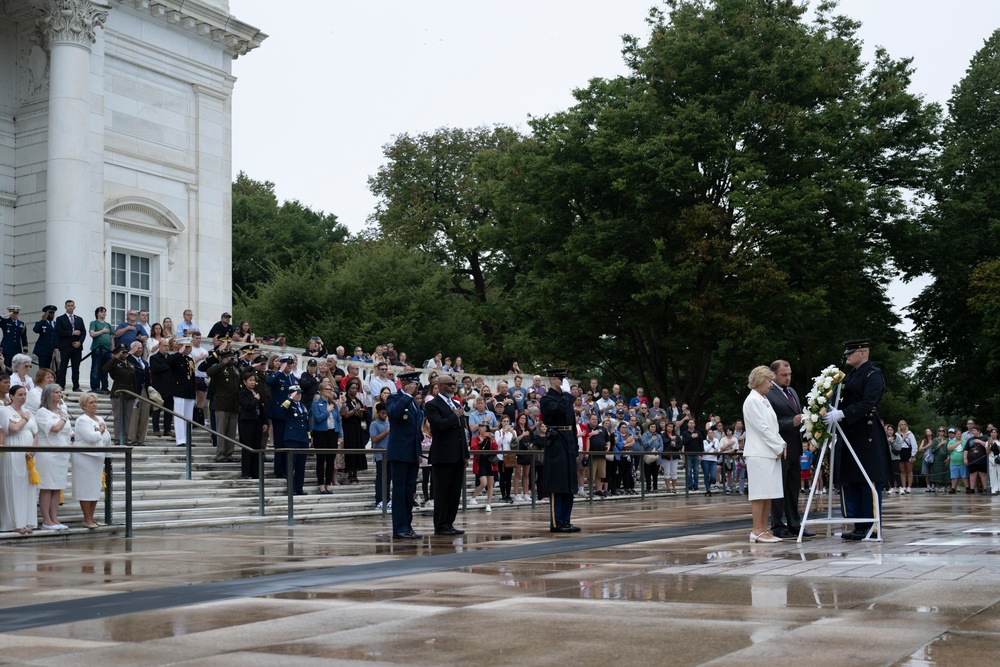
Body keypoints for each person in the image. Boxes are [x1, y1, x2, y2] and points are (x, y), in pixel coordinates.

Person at [823, 339, 891, 540]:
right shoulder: (851, 376)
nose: (846, 355)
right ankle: (859, 525)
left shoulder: (872, 374)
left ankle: (872, 527)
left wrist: (843, 413)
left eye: (850, 352)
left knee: (867, 480)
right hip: (850, 432)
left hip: (865, 433)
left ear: (862, 353)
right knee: (852, 479)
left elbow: (869, 402)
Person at [766, 360, 814, 539]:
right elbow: (768, 423)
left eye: (789, 374)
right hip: (779, 447)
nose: (788, 378)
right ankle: (778, 525)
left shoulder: (792, 391)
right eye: (783, 375)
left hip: (795, 447)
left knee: (793, 487)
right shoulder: (768, 394)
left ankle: (794, 523)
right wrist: (790, 423)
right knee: (779, 487)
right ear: (773, 375)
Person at [742, 366, 787, 543]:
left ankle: (764, 528)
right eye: (769, 381)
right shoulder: (752, 401)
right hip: (759, 453)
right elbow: (762, 428)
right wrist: (778, 447)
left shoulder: (763, 399)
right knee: (759, 493)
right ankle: (756, 530)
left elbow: (773, 427)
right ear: (760, 381)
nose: (770, 385)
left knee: (768, 492)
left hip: (768, 452)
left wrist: (782, 443)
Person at [426, 375, 468, 535]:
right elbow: (438, 426)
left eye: (454, 385)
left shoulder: (456, 404)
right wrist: (453, 416)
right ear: (440, 385)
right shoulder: (433, 404)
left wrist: (465, 454)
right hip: (443, 454)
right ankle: (441, 524)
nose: (453, 387)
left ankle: (449, 522)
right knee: (442, 491)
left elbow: (462, 431)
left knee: (454, 492)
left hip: (457, 455)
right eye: (449, 385)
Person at [540, 368, 580, 533]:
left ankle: (566, 520)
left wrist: (575, 444)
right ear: (552, 380)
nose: (564, 382)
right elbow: (559, 411)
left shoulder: (566, 399)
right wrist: (566, 395)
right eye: (560, 379)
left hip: (568, 438)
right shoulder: (547, 399)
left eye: (565, 379)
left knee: (569, 482)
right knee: (558, 482)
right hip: (556, 440)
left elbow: (571, 422)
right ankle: (557, 522)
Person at [385, 371, 424, 538]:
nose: (417, 387)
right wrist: (406, 394)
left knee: (409, 492)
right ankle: (399, 528)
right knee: (399, 492)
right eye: (414, 384)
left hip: (412, 453)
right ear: (406, 383)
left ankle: (407, 526)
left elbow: (416, 430)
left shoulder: (414, 403)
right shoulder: (394, 398)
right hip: (400, 453)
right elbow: (394, 414)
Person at [0, 385, 38, 534]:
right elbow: (14, 428)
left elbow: (35, 433)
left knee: (27, 486)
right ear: (12, 396)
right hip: (13, 451)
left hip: (27, 454)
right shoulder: (4, 411)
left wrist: (33, 450)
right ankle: (13, 522)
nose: (23, 397)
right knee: (14, 486)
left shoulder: (28, 412)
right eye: (20, 395)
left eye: (25, 395)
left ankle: (25, 521)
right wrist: (24, 419)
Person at [34, 383, 72, 530]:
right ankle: (46, 520)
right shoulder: (42, 412)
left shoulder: (62, 410)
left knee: (57, 486)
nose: (59, 395)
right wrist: (63, 419)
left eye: (60, 392)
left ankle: (54, 518)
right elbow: (55, 429)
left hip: (62, 451)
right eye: (56, 392)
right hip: (48, 452)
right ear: (49, 395)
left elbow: (66, 429)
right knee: (47, 486)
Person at [73, 392, 111, 528]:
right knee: (85, 488)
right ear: (83, 405)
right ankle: (86, 518)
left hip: (98, 458)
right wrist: (100, 432)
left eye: (96, 402)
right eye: (91, 402)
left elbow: (107, 437)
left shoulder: (100, 418)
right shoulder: (82, 420)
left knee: (94, 489)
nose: (95, 405)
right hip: (84, 457)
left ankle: (92, 517)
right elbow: (90, 438)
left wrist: (101, 434)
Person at [167, 337, 197, 447]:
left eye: (189, 346)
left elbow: (192, 376)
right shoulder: (176, 357)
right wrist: (179, 352)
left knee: (189, 417)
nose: (187, 349)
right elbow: (168, 362)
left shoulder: (190, 359)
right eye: (185, 346)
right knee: (180, 416)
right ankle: (180, 440)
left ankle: (188, 438)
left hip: (189, 391)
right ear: (180, 346)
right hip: (179, 390)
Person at [311, 381, 340, 492]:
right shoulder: (316, 403)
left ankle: (328, 483)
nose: (329, 391)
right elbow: (317, 419)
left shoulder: (333, 403)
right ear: (322, 391)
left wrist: (340, 434)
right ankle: (321, 483)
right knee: (321, 459)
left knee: (331, 460)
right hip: (320, 433)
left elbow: (338, 420)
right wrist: (327, 411)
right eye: (327, 389)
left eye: (331, 389)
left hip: (333, 432)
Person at [104, 344, 135, 446]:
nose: (124, 354)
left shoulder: (130, 364)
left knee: (128, 417)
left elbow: (134, 379)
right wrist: (114, 358)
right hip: (118, 392)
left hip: (129, 392)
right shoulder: (114, 363)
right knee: (118, 417)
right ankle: (118, 439)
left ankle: (125, 438)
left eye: (125, 352)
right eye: (122, 352)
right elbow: (105, 369)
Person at [281, 384, 310, 495]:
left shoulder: (302, 406)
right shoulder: (289, 404)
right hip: (292, 438)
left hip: (302, 439)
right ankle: (291, 488)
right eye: (296, 393)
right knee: (291, 465)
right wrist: (290, 397)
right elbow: (282, 409)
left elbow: (306, 422)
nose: (299, 395)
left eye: (300, 393)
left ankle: (299, 488)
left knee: (300, 465)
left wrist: (309, 437)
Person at [55, 299, 86, 392]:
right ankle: (61, 385)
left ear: (74, 307)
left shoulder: (79, 319)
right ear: (65, 307)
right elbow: (59, 331)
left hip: (77, 347)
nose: (70, 307)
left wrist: (80, 342)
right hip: (65, 346)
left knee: (76, 368)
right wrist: (72, 333)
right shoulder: (60, 319)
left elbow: (83, 332)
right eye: (68, 305)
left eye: (72, 305)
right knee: (63, 366)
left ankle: (76, 386)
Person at [341, 377, 367, 484]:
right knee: (350, 449)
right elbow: (345, 415)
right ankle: (350, 473)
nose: (355, 390)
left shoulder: (358, 400)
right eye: (352, 388)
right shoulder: (345, 400)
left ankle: (356, 472)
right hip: (348, 427)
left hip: (357, 427)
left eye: (356, 388)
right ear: (348, 389)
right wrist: (355, 410)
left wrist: (360, 414)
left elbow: (361, 414)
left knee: (358, 448)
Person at [127, 341, 152, 447]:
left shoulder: (144, 362)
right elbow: (121, 361)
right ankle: (131, 439)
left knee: (144, 415)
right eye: (137, 348)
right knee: (134, 415)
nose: (140, 350)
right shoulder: (128, 359)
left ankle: (141, 439)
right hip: (134, 390)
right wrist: (129, 354)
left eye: (141, 348)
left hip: (144, 390)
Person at [469, 421, 497, 512]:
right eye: (480, 426)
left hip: (490, 462)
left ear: (487, 428)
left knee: (490, 484)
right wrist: (480, 442)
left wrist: (492, 440)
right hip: (480, 462)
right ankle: (473, 497)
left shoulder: (490, 437)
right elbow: (473, 448)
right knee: (483, 483)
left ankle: (489, 503)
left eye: (483, 426)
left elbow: (495, 448)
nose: (480, 428)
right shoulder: (475, 438)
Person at [32, 305, 59, 371]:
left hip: (54, 352)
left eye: (53, 313)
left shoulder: (57, 324)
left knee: (55, 371)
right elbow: (36, 330)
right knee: (43, 370)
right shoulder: (41, 323)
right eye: (50, 313)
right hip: (44, 352)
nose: (52, 315)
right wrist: (42, 320)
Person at [897, 420, 917, 494]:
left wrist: (912, 455)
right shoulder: (897, 434)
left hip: (908, 452)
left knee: (909, 470)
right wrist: (903, 438)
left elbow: (914, 445)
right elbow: (897, 444)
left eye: (904, 424)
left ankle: (909, 487)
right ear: (899, 426)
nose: (903, 426)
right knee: (902, 470)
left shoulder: (910, 434)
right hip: (901, 452)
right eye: (901, 425)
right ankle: (904, 486)